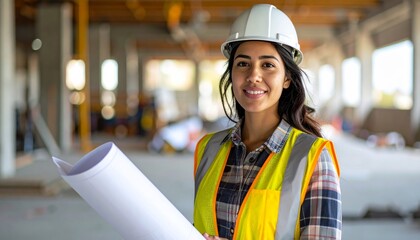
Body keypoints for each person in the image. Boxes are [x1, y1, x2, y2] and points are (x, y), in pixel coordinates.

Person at [193, 4, 341, 240]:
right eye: (242, 63)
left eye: (268, 65)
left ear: (287, 78)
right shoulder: (207, 149)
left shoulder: (313, 157)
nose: (253, 76)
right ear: (231, 73)